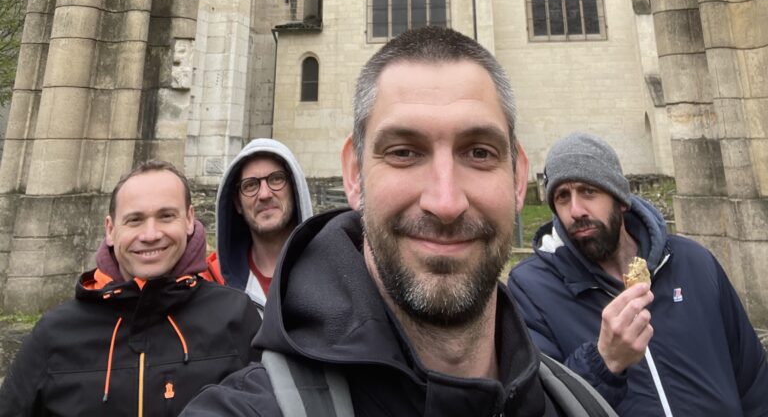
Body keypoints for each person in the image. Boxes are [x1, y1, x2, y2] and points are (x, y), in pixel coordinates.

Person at [183, 27, 619, 417]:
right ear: (354, 175)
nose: (445, 203)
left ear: (519, 178)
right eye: (404, 153)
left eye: (479, 153)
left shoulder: (579, 405)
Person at [507, 132, 768, 416]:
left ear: (621, 199)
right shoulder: (532, 290)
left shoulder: (693, 262)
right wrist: (603, 362)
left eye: (588, 191)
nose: (576, 210)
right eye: (562, 197)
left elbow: (754, 382)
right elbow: (539, 407)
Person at [0, 160, 262, 416]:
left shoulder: (235, 315)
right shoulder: (55, 333)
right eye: (135, 220)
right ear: (110, 230)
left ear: (189, 220)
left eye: (166, 216)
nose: (150, 235)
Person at [208, 138, 313, 312]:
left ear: (294, 189)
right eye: (250, 185)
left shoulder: (332, 276)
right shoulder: (213, 285)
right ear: (238, 203)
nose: (264, 194)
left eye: (276, 179)